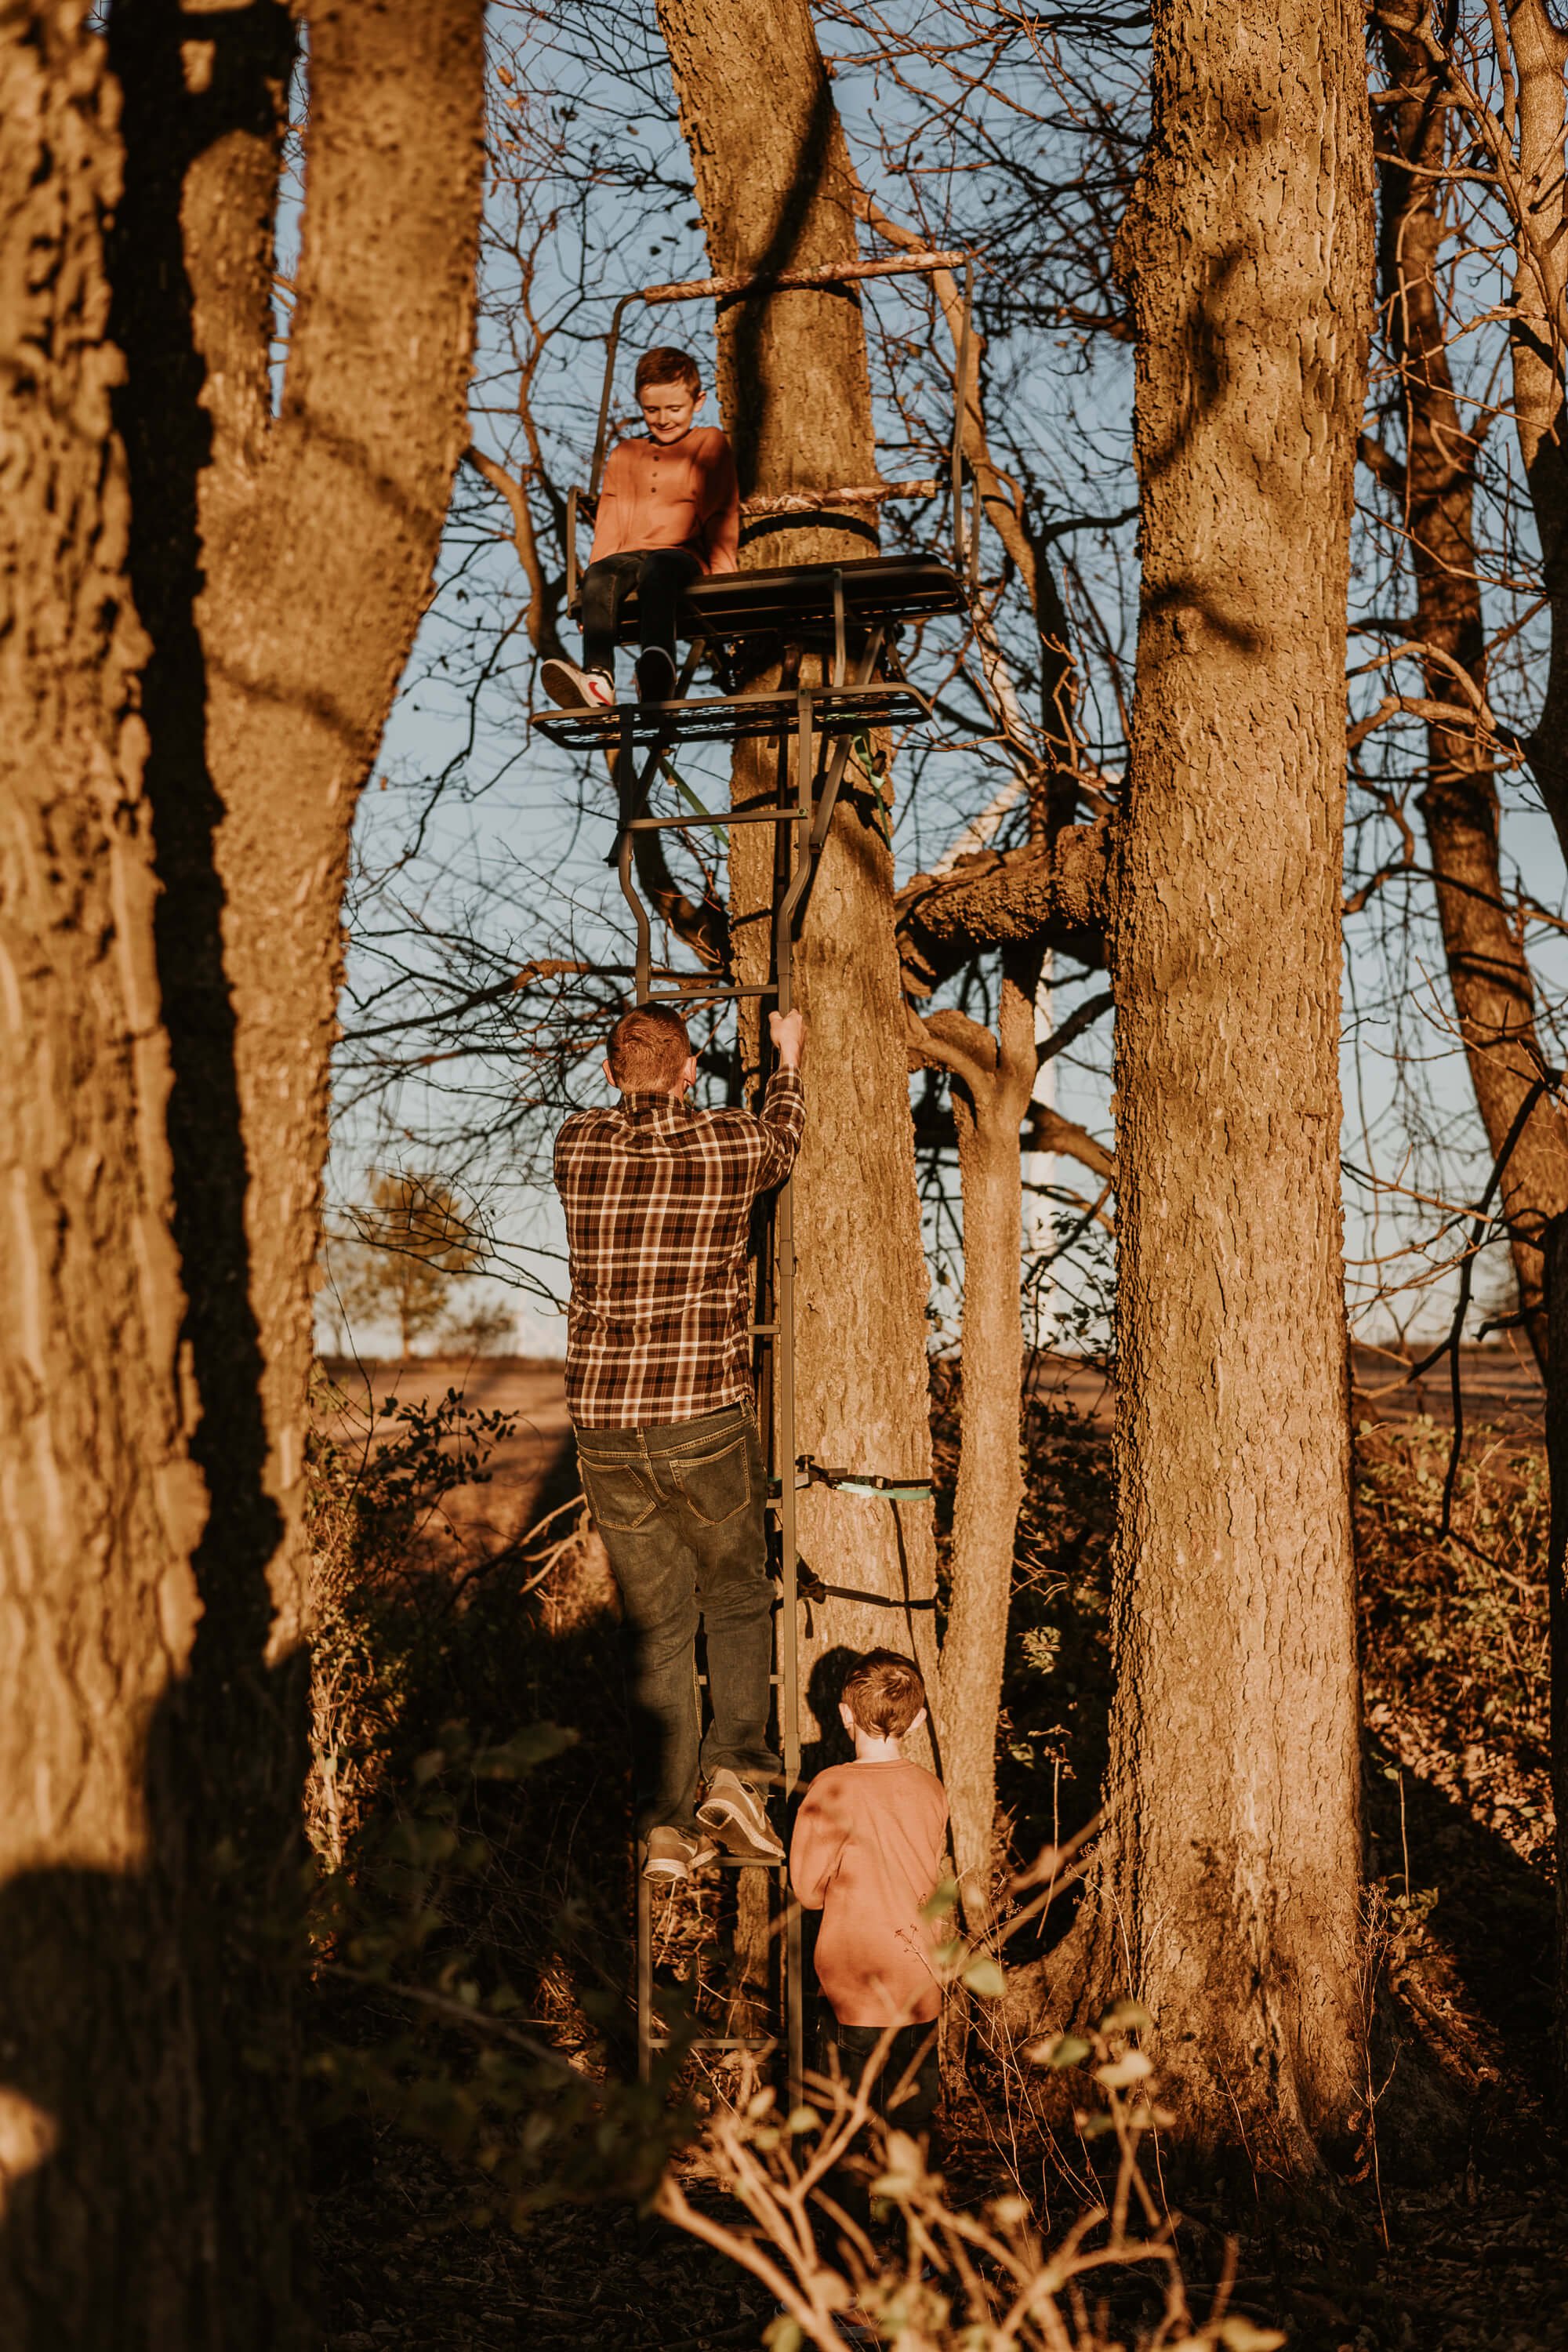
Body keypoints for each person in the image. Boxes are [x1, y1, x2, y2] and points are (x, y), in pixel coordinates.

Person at [554, 999, 804, 1882]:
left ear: (612, 1071)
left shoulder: (576, 1145)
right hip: (699, 1411)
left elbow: (638, 1101)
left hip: (606, 1426)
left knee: (656, 1625)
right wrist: (786, 1059)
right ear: (691, 1072)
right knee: (735, 1593)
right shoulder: (728, 1144)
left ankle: (663, 1823)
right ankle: (734, 1771)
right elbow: (783, 1137)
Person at [789, 1649, 949, 2137]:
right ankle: (909, 2212)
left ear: (844, 1714)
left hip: (851, 1986)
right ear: (918, 1720)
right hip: (920, 1982)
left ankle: (850, 2214)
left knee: (844, 2125)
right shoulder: (931, 1788)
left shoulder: (831, 1786)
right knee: (911, 2121)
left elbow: (807, 1890)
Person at [542, 345, 739, 713]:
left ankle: (657, 666)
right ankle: (599, 678)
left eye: (674, 409)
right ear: (639, 403)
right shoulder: (625, 454)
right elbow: (611, 523)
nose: (663, 419)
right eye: (652, 410)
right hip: (629, 556)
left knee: (659, 569)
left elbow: (720, 512)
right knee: (602, 573)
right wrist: (589, 601)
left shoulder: (709, 443)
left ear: (698, 402)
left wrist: (724, 579)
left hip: (683, 556)